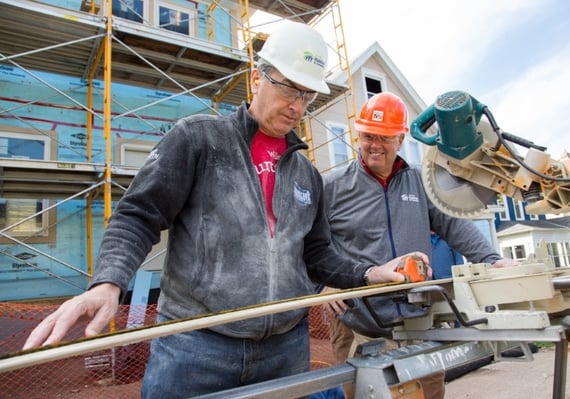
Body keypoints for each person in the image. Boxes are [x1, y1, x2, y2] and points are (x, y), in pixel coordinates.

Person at [23, 24, 426, 398]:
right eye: (289, 88)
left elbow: (318, 254)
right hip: (196, 347)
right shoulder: (199, 141)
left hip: (284, 349)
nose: (298, 106)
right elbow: (137, 215)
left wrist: (370, 274)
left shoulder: (306, 173)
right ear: (257, 77)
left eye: (307, 95)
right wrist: (108, 283)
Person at [322, 92, 518, 399]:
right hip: (362, 323)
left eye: (384, 137)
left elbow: (453, 224)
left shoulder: (419, 182)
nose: (374, 145)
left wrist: (493, 259)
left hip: (417, 322)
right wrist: (324, 282)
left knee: (428, 393)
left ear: (400, 139)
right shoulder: (333, 187)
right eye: (368, 136)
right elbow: (308, 241)